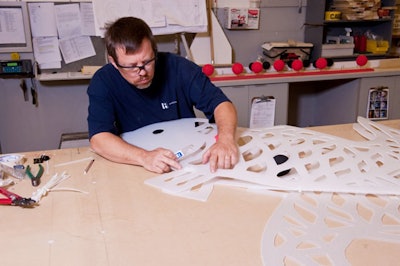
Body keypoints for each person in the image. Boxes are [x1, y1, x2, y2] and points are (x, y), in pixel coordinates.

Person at [87, 17, 239, 174]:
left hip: (185, 156)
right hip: (133, 161)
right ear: (114, 62)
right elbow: (99, 138)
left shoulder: (179, 67)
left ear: (154, 51)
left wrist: (225, 140)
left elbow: (221, 104)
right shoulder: (103, 81)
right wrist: (144, 157)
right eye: (131, 67)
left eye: (147, 62)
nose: (142, 72)